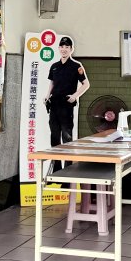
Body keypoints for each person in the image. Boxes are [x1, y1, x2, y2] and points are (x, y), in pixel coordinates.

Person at [44, 36, 90, 171]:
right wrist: (47, 96)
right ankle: (56, 169)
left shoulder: (77, 66)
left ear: (71, 49)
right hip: (54, 105)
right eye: (62, 47)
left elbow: (86, 84)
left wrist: (74, 96)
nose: (64, 49)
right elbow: (52, 82)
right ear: (58, 48)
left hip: (66, 105)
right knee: (54, 136)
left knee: (67, 137)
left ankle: (68, 169)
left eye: (67, 47)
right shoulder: (54, 66)